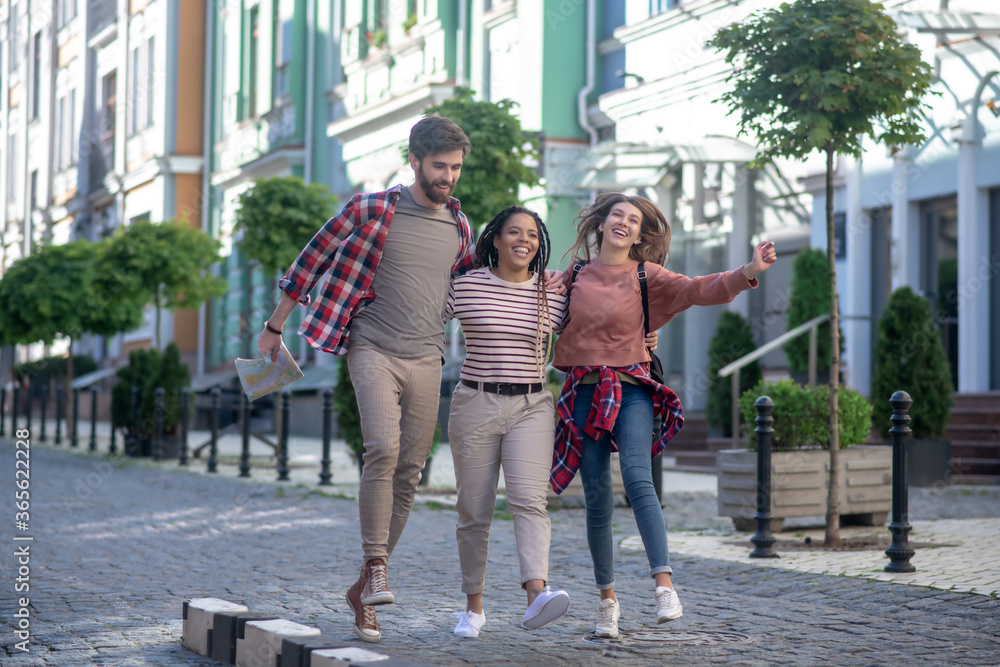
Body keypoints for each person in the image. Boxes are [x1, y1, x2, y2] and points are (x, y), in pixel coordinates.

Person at [257, 115, 563, 643]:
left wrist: (538, 279)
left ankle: (362, 590)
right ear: (415, 160)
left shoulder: (461, 227)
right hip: (372, 346)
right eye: (440, 166)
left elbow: (477, 284)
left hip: (427, 358)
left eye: (456, 168)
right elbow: (310, 262)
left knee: (410, 471)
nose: (448, 177)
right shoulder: (370, 208)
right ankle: (377, 565)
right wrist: (273, 327)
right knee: (382, 448)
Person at [549, 192, 776, 638]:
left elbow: (697, 289)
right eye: (617, 215)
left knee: (638, 480)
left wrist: (748, 272)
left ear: (638, 234)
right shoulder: (572, 275)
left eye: (633, 220)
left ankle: (664, 585)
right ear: (600, 224)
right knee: (596, 495)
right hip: (583, 390)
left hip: (632, 388)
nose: (624, 223)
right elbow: (530, 300)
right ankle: (607, 601)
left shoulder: (645, 275)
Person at [443, 206, 571, 638]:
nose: (524, 240)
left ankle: (536, 593)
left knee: (529, 500)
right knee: (474, 512)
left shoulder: (552, 291)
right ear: (495, 239)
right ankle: (473, 607)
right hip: (475, 402)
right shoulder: (465, 286)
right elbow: (420, 323)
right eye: (514, 232)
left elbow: (599, 324)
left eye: (532, 235)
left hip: (532, 405)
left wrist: (648, 334)